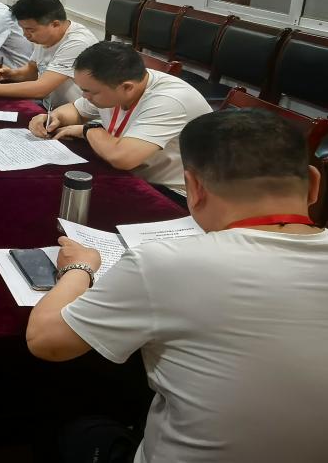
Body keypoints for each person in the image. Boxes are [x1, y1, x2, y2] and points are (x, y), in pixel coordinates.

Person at [26, 109, 328, 462]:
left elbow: (47, 342)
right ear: (314, 184)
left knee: (75, 421)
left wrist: (79, 268)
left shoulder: (165, 263)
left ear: (194, 188)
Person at [28, 41, 211, 197]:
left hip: (176, 194)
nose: (84, 96)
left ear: (127, 88)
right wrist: (53, 117)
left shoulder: (169, 101)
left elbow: (122, 158)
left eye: (90, 92)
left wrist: (88, 129)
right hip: (132, 176)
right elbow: (76, 110)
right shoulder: (115, 83)